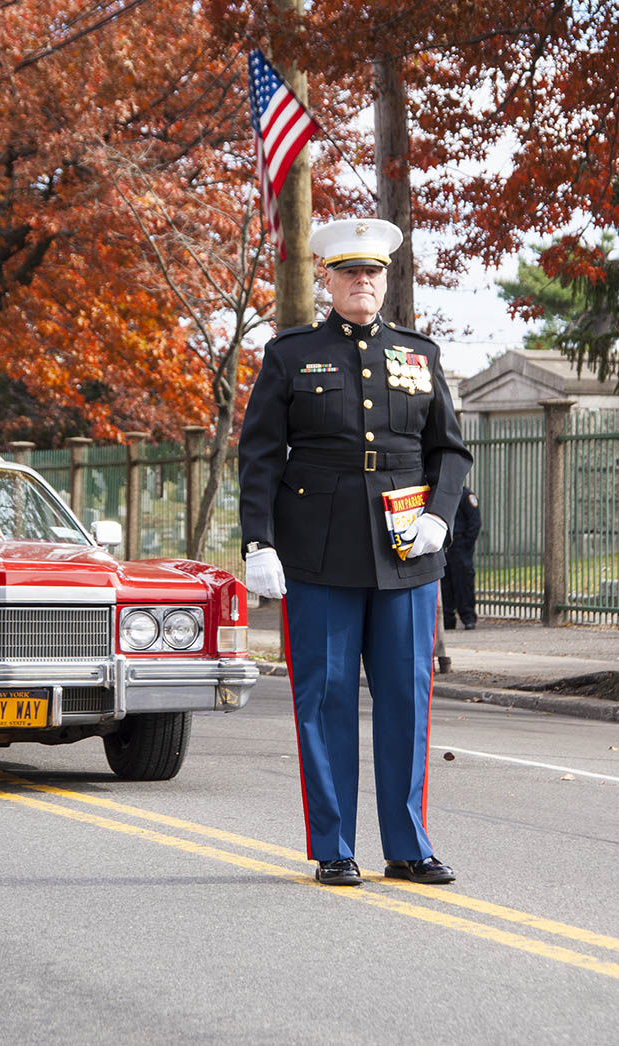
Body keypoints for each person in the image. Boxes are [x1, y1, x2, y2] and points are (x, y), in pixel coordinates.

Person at [238, 217, 473, 886]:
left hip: (408, 551)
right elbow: (259, 456)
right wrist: (259, 542)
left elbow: (450, 451)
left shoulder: (419, 356)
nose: (362, 282)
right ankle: (335, 845)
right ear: (329, 280)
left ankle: (407, 845)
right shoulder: (290, 355)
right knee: (327, 698)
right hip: (317, 550)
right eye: (349, 272)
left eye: (372, 272)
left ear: (386, 280)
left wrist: (439, 517)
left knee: (407, 699)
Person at [441, 485, 481, 630]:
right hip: (445, 546)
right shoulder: (443, 494)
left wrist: (465, 545)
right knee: (446, 584)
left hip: (459, 545)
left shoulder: (466, 496)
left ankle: (468, 618)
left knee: (463, 582)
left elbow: (474, 523)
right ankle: (447, 619)